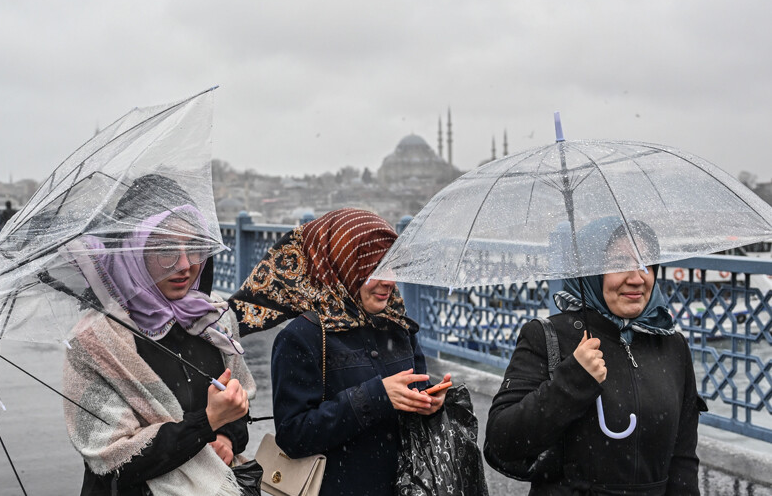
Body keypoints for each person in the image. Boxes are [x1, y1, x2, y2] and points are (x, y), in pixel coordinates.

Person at [230, 208, 451, 496]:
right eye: (374, 269)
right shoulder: (303, 337)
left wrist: (430, 403)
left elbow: (414, 392)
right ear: (342, 265)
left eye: (392, 266)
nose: (389, 281)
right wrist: (377, 396)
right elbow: (293, 435)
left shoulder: (397, 326)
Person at [63, 175, 254, 496]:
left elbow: (237, 406)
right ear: (131, 251)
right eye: (165, 249)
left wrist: (227, 437)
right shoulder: (96, 341)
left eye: (194, 247)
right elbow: (114, 462)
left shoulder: (213, 320)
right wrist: (206, 423)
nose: (185, 265)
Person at [484, 218, 705, 495]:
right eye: (619, 264)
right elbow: (502, 441)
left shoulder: (672, 345)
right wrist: (572, 380)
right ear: (590, 271)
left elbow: (682, 459)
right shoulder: (547, 336)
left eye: (646, 263)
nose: (637, 278)